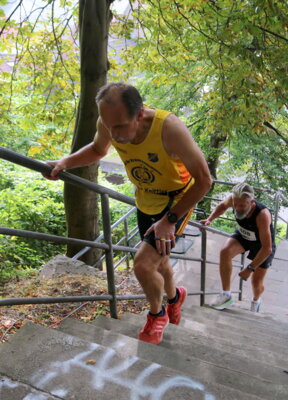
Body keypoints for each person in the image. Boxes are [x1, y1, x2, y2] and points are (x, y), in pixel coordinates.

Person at [46, 82, 212, 344]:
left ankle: (157, 315)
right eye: (109, 126)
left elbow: (204, 181)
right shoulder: (110, 122)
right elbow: (99, 149)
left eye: (120, 126)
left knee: (144, 265)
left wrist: (170, 221)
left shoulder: (169, 129)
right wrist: (65, 162)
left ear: (139, 113)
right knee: (160, 261)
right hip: (145, 199)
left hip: (175, 201)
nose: (114, 133)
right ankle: (175, 296)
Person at [200, 182, 276, 312]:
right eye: (235, 205)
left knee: (256, 282)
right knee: (225, 251)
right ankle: (226, 294)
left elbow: (267, 248)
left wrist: (250, 268)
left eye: (242, 205)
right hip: (243, 235)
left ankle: (256, 300)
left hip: (262, 245)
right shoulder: (233, 200)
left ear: (251, 203)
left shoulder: (262, 215)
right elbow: (221, 207)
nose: (238, 208)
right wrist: (209, 219)